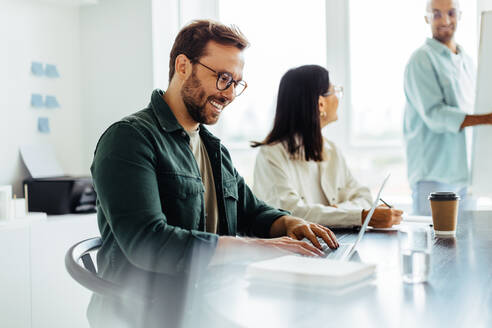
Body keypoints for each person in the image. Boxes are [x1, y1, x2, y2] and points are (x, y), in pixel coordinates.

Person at [88, 20, 339, 328]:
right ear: (183, 66)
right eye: (222, 78)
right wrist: (262, 248)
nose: (230, 94)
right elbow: (148, 244)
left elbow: (252, 211)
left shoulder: (212, 148)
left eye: (236, 83)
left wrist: (291, 223)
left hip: (209, 306)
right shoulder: (128, 139)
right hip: (148, 316)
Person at [252, 65, 403, 229]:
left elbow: (364, 196)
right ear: (321, 104)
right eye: (335, 92)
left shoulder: (331, 150)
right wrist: (359, 216)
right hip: (293, 249)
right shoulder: (271, 154)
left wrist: (337, 212)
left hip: (336, 240)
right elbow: (290, 213)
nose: (338, 99)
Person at [404, 0, 492, 215]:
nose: (445, 20)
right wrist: (485, 118)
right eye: (436, 14)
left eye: (451, 13)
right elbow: (435, 115)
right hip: (434, 175)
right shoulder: (421, 59)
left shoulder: (468, 61)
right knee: (434, 245)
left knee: (463, 245)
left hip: (465, 176)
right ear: (427, 18)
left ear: (459, 16)